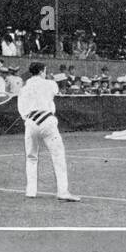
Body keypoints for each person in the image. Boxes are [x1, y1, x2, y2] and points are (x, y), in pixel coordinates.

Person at [16, 61, 79, 202]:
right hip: (47, 121)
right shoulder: (50, 84)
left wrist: (30, 119)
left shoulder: (24, 88)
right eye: (45, 70)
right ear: (41, 71)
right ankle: (62, 191)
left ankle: (30, 191)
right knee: (58, 156)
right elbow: (55, 90)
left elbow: (22, 110)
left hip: (31, 122)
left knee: (31, 157)